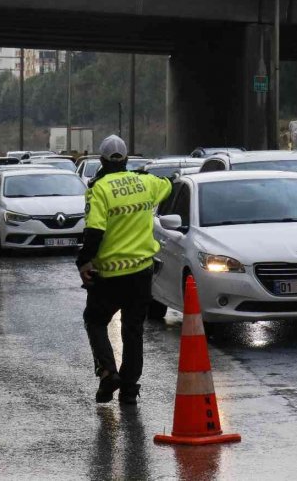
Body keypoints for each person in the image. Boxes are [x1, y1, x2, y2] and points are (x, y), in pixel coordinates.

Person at [76, 135, 172, 405]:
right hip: (141, 273)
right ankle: (129, 389)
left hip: (109, 275)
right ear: (127, 159)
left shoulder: (99, 189)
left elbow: (94, 231)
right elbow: (169, 185)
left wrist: (83, 261)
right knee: (133, 331)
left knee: (95, 321)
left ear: (102, 160)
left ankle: (108, 372)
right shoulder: (146, 183)